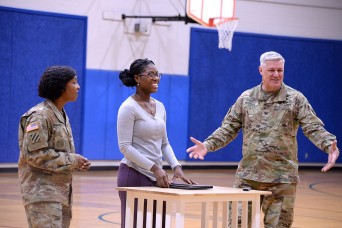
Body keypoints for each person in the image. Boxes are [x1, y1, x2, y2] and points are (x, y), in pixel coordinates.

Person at [186, 51, 340, 228]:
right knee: (236, 224)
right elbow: (228, 128)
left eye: (280, 70)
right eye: (272, 70)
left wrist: (329, 145)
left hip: (282, 180)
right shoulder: (246, 98)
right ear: (261, 70)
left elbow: (313, 127)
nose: (276, 74)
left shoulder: (296, 99)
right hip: (248, 177)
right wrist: (207, 145)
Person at [117, 58, 196, 227]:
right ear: (138, 78)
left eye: (157, 74)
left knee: (158, 224)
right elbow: (125, 147)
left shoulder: (160, 106)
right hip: (134, 174)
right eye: (151, 74)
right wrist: (154, 167)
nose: (156, 78)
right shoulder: (128, 107)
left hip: (157, 176)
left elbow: (164, 143)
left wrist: (176, 167)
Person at [18, 65, 91, 228]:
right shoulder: (39, 116)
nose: (78, 87)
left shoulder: (61, 115)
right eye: (74, 82)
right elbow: (36, 157)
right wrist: (73, 160)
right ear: (61, 86)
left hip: (61, 193)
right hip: (42, 195)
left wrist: (76, 162)